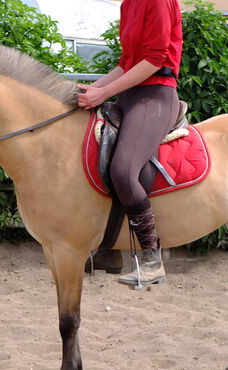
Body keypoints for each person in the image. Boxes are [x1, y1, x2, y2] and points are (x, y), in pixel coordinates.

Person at [77, 0, 182, 287]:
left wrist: (104, 93)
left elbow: (155, 60)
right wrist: (94, 87)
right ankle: (110, 249)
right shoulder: (128, 4)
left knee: (123, 170)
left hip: (155, 95)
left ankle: (152, 259)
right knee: (99, 154)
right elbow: (126, 64)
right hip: (130, 96)